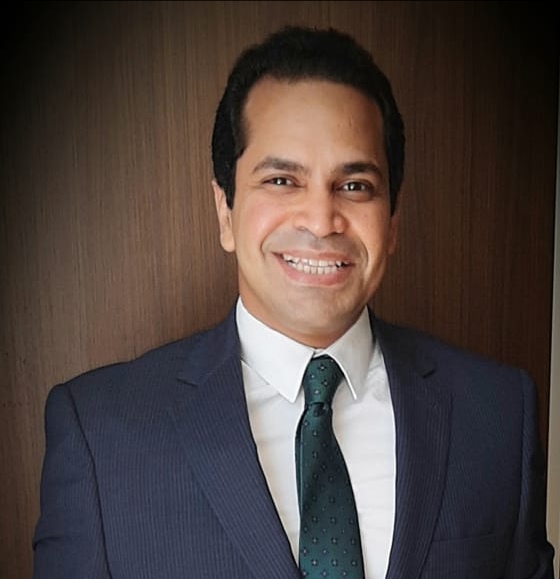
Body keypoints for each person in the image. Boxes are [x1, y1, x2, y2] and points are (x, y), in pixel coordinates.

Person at [32, 25, 554, 579]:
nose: (321, 221)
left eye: (354, 186)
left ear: (393, 222)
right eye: (282, 180)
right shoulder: (100, 434)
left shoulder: (496, 412)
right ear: (225, 210)